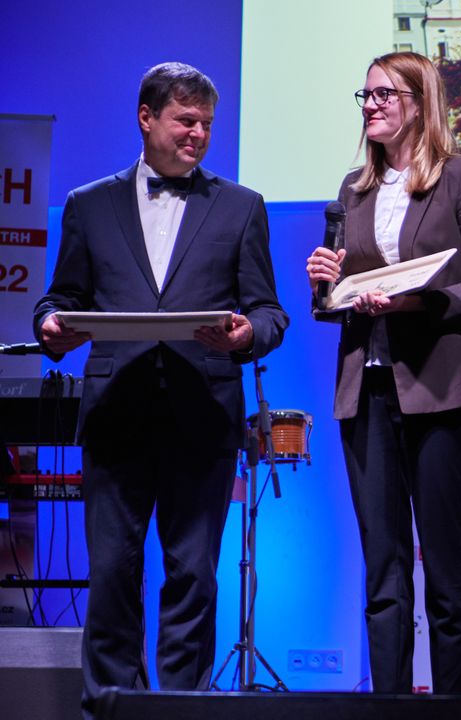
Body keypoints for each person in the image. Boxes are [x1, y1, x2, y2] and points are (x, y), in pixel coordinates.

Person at [34, 61, 288, 717]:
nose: (198, 133)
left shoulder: (241, 206)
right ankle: (109, 708)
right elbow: (61, 298)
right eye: (185, 120)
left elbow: (269, 312)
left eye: (207, 123)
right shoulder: (89, 204)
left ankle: (181, 711)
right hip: (116, 416)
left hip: (202, 418)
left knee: (193, 577)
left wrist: (245, 336)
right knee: (112, 576)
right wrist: (51, 326)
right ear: (146, 118)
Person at [306, 52, 461, 694]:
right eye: (365, 96)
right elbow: (332, 305)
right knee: (384, 573)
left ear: (420, 104)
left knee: (445, 574)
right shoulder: (353, 189)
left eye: (384, 95)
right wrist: (325, 285)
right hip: (367, 391)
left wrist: (420, 302)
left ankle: (452, 710)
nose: (370, 105)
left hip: (440, 393)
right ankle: (389, 708)